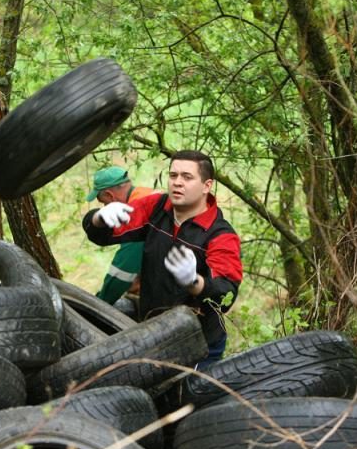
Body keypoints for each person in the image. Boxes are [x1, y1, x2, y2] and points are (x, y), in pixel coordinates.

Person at [83, 150, 243, 366]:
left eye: (187, 177)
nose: (177, 182)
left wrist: (194, 282)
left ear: (207, 185)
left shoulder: (220, 235)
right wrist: (98, 218)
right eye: (173, 175)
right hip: (154, 332)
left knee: (190, 398)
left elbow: (225, 296)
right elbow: (107, 235)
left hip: (199, 343)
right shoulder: (157, 208)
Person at [85, 167, 155, 305]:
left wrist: (101, 304)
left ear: (110, 195)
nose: (105, 206)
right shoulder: (147, 195)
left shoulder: (136, 214)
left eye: (104, 202)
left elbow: (123, 270)